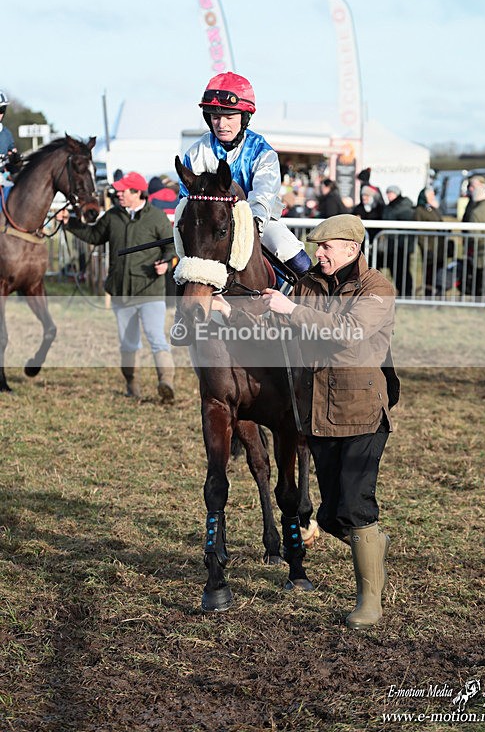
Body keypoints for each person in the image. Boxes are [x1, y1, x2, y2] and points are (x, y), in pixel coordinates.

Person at [213, 214, 400, 630]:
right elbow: (277, 327)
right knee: (333, 517)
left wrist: (290, 307)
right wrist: (232, 312)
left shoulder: (377, 289)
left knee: (355, 505)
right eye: (317, 247)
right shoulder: (307, 284)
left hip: (362, 413)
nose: (318, 254)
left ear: (352, 249)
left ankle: (369, 603)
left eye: (326, 247)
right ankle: (370, 541)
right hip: (316, 411)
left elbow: (348, 331)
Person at [180, 72, 312, 277]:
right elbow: (186, 198)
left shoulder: (262, 152)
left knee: (294, 256)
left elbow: (263, 195)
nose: (221, 124)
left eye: (229, 117)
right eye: (215, 117)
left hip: (256, 223)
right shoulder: (196, 152)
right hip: (210, 226)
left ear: (244, 118)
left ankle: (315, 297)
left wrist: (249, 228)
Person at [58, 171, 176, 402]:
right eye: (119, 191)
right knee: (128, 343)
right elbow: (93, 235)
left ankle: (166, 383)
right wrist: (69, 223)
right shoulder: (112, 216)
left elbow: (172, 248)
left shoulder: (158, 218)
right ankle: (132, 387)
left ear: (137, 192)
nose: (118, 194)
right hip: (121, 291)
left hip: (150, 291)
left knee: (156, 337)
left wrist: (167, 264)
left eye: (123, 191)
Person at [413, 187, 448, 296]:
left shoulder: (433, 209)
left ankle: (439, 293)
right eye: (431, 195)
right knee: (429, 272)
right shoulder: (419, 210)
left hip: (440, 246)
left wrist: (436, 208)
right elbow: (419, 230)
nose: (433, 197)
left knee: (439, 271)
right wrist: (425, 247)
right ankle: (429, 294)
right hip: (430, 246)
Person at [382, 185, 414, 297]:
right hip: (392, 245)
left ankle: (407, 293)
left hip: (402, 245)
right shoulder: (389, 207)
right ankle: (401, 292)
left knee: (403, 270)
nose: (388, 195)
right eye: (387, 193)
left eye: (391, 193)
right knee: (395, 270)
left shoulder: (404, 207)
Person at [0, 91, 19, 190]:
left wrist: (15, 158)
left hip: (4, 178)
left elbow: (12, 151)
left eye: (1, 110)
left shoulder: (7, 134)